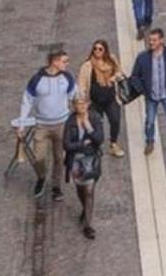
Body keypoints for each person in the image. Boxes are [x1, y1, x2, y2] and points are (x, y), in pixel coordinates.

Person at [15, 50, 75, 200]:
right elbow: (27, 101)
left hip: (62, 124)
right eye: (64, 61)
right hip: (42, 125)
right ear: (54, 61)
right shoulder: (37, 79)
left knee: (59, 158)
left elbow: (74, 95)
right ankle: (41, 177)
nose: (67, 64)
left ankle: (56, 186)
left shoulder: (67, 77)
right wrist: (21, 123)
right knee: (38, 157)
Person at [128, 27, 166, 162]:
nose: (151, 43)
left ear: (162, 40)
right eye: (150, 40)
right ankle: (149, 141)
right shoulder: (142, 58)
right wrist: (143, 90)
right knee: (150, 121)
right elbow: (134, 77)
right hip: (151, 96)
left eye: (154, 40)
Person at [63, 97, 105, 239]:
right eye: (77, 104)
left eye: (83, 103)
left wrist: (88, 127)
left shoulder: (94, 118)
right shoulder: (70, 121)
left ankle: (88, 225)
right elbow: (67, 144)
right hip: (75, 159)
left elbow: (99, 139)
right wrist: (82, 143)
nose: (80, 106)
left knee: (89, 191)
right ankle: (85, 209)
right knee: (80, 189)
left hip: (91, 158)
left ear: (88, 104)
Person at [76, 40, 126, 158]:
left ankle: (113, 143)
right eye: (95, 49)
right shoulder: (87, 66)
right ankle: (95, 146)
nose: (97, 51)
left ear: (105, 50)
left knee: (115, 121)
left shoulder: (111, 59)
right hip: (95, 101)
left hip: (111, 98)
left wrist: (113, 78)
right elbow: (81, 84)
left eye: (100, 49)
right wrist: (81, 100)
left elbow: (119, 72)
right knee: (96, 124)